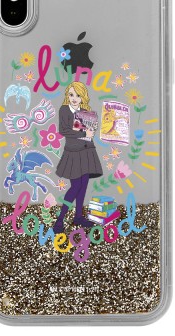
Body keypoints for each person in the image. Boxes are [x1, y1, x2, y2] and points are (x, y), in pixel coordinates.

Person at [53, 81, 103, 234]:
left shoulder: (85, 111)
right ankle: (60, 219)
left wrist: (91, 132)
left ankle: (78, 217)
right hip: (73, 153)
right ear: (67, 95)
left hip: (86, 151)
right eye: (71, 95)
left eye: (78, 95)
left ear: (83, 97)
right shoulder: (64, 110)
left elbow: (89, 130)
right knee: (75, 186)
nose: (74, 98)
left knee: (83, 186)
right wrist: (83, 133)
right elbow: (63, 130)